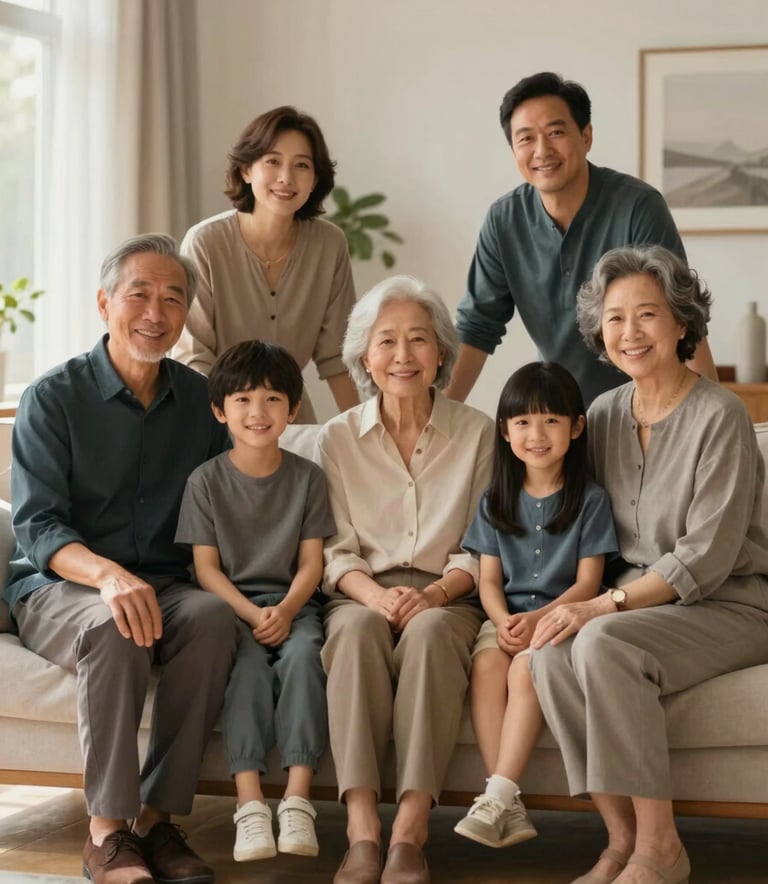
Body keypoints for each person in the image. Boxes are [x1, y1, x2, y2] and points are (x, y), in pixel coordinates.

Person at [3, 234, 239, 884]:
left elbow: (224, 508)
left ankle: (158, 823)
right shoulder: (54, 399)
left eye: (173, 298)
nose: (156, 313)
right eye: (140, 294)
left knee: (214, 618)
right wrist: (108, 576)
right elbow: (39, 527)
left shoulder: (202, 403)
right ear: (105, 302)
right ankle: (107, 831)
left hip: (167, 582)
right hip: (62, 588)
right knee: (114, 624)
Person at [529, 245, 768, 884]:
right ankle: (621, 840)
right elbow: (570, 518)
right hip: (635, 602)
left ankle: (662, 849)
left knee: (602, 641)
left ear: (682, 324)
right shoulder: (601, 416)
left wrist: (602, 605)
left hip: (726, 605)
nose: (629, 334)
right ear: (600, 334)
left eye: (648, 315)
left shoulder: (723, 416)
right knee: (548, 654)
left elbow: (707, 556)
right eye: (614, 319)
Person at [317, 276, 495, 884]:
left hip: (450, 592)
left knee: (430, 635)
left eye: (418, 340)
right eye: (386, 341)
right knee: (357, 633)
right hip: (362, 590)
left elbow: (484, 544)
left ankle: (410, 832)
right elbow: (333, 550)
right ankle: (363, 830)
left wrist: (435, 593)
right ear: (364, 356)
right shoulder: (335, 438)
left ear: (441, 353)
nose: (402, 355)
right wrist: (374, 593)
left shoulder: (478, 432)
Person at [444, 71, 718, 407]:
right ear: (513, 150)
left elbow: (681, 317)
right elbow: (476, 329)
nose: (542, 150)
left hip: (648, 407)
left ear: (586, 136)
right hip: (561, 415)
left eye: (556, 132)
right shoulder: (503, 220)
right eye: (526, 138)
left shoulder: (637, 206)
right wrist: (435, 421)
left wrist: (713, 418)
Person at [175, 339, 336, 863]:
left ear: (293, 409)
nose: (257, 412)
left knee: (305, 661)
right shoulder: (204, 481)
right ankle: (249, 806)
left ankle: (296, 800)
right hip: (232, 610)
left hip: (296, 607)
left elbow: (312, 563)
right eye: (242, 400)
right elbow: (206, 569)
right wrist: (251, 614)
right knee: (243, 671)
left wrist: (287, 611)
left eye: (271, 400)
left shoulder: (309, 477)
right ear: (220, 410)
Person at [454, 362, 617, 849]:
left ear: (576, 425)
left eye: (550, 420)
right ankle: (505, 802)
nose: (537, 434)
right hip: (505, 617)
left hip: (563, 619)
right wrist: (503, 622)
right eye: (523, 422)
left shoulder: (590, 500)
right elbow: (486, 580)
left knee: (525, 671)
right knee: (486, 666)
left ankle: (498, 793)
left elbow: (589, 583)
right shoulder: (494, 500)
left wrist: (538, 620)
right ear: (505, 432)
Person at [174, 105, 359, 422]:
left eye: (302, 165)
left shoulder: (330, 244)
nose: (286, 177)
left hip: (291, 418)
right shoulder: (205, 242)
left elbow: (337, 356)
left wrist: (363, 432)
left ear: (315, 179)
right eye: (273, 161)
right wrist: (226, 426)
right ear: (246, 170)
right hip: (217, 417)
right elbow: (194, 356)